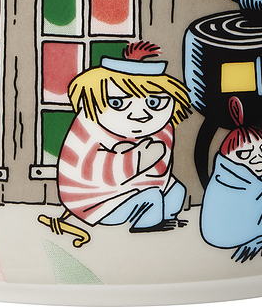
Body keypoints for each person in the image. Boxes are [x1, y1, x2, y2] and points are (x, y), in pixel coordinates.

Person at [57, 42, 192, 232]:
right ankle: (147, 226)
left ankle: (167, 219)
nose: (139, 115)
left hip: (136, 186)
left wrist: (144, 157)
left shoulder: (162, 127)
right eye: (117, 103)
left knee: (176, 191)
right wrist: (136, 158)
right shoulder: (89, 129)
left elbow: (160, 168)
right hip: (98, 200)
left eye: (154, 102)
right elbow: (91, 170)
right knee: (151, 197)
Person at [200, 96, 262, 262]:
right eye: (244, 154)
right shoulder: (225, 178)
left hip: (244, 225)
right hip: (224, 232)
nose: (258, 159)